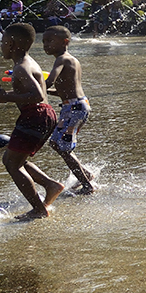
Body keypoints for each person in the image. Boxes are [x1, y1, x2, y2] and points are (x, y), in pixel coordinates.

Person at [0, 23, 65, 219]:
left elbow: (37, 95)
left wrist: (6, 98)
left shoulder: (21, 67)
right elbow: (28, 92)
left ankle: (39, 209)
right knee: (10, 159)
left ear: (12, 44)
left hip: (35, 115)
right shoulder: (27, 62)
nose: (1, 46)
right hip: (43, 115)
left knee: (13, 164)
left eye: (3, 42)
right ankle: (50, 185)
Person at [40, 26, 94, 193]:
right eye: (43, 42)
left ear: (65, 42)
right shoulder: (73, 60)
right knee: (59, 144)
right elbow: (64, 91)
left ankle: (87, 185)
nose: (45, 45)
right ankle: (85, 175)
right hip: (78, 104)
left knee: (61, 145)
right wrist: (44, 91)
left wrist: (28, 82)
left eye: (50, 41)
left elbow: (48, 82)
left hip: (74, 107)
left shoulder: (62, 59)